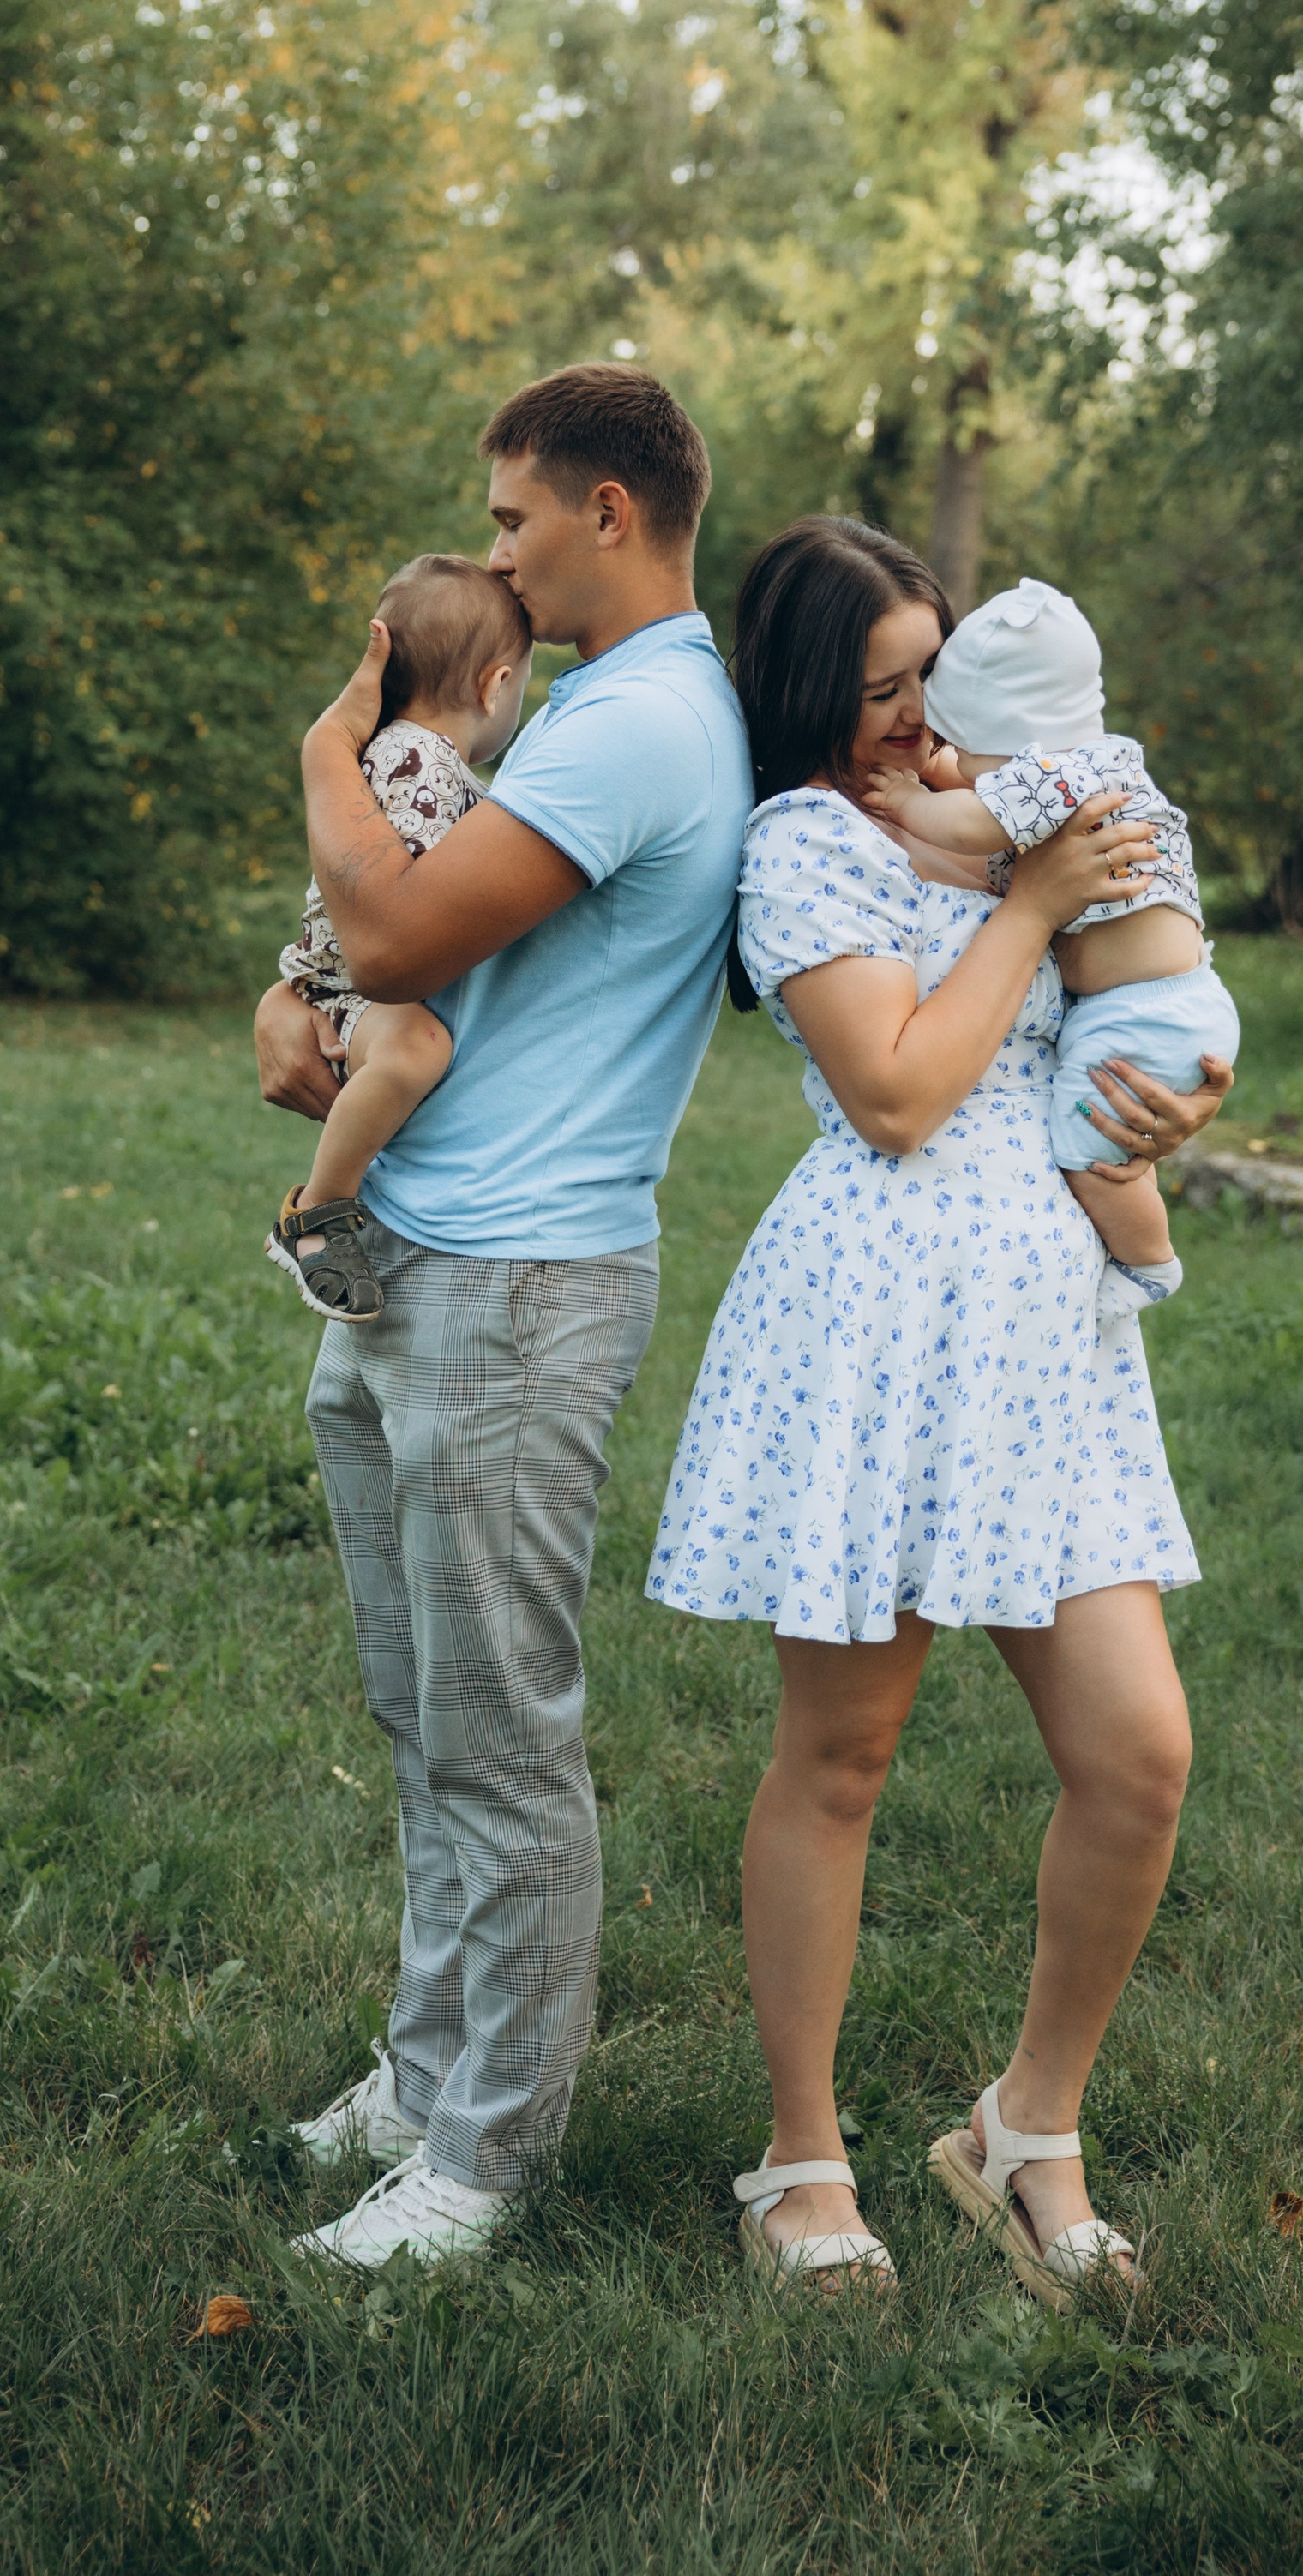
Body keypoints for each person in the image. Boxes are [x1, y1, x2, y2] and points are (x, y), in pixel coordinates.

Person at [646, 518, 1233, 2300]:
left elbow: (1126, 991)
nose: (916, 718)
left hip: (1046, 1337)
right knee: (841, 1757)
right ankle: (800, 2160)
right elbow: (895, 1092)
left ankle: (1023, 2131)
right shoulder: (805, 843)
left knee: (1138, 1757)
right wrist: (1034, 904)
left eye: (933, 673)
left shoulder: (1010, 804)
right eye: (879, 687)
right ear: (808, 695)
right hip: (883, 1319)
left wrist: (1168, 1087)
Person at [253, 365, 754, 2274]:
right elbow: (385, 945)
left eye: (513, 517)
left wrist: (329, 741)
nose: (497, 553)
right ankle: (425, 2074)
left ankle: (486, 2157)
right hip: (412, 1254)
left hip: (521, 1287)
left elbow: (392, 928)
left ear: (608, 511)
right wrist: (287, 1003)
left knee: (498, 1739)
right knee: (423, 1719)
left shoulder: (646, 723)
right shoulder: (578, 712)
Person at [865, 574, 1243, 1328]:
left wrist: (907, 801)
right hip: (1169, 1000)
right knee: (1105, 1138)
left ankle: (1147, 1261)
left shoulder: (1053, 781)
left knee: (1090, 1154)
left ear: (1013, 748)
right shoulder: (1092, 763)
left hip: (1140, 1013)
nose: (946, 755)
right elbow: (975, 786)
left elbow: (971, 821)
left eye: (965, 747)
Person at [264, 554, 531, 1324]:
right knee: (416, 1049)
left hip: (353, 977)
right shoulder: (417, 761)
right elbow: (404, 902)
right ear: (495, 686)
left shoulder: (414, 757)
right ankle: (316, 1216)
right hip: (351, 981)